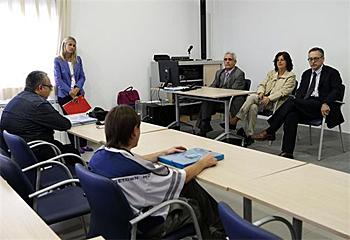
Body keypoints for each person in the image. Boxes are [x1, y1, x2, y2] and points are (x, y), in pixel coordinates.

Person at [89, 105, 225, 239]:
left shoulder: (98, 156)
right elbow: (182, 177)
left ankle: (219, 227)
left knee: (189, 186)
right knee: (194, 205)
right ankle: (218, 231)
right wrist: (202, 163)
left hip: (112, 221)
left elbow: (132, 160)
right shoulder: (141, 172)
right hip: (143, 226)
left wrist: (162, 153)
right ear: (134, 132)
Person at [252, 47, 344, 159]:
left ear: (323, 59)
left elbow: (336, 91)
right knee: (291, 115)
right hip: (306, 105)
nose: (313, 62)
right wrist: (298, 100)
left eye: (316, 58)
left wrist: (325, 103)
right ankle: (287, 152)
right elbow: (300, 92)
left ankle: (270, 131)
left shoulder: (332, 73)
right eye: (310, 59)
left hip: (321, 106)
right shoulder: (306, 74)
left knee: (291, 101)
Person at [0, 70, 80, 162]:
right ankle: (75, 174)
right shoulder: (39, 104)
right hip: (36, 151)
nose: (51, 90)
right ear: (40, 88)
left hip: (19, 153)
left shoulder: (17, 98)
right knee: (73, 153)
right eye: (50, 87)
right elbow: (65, 124)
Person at [230, 51, 296, 146]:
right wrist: (261, 92)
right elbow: (262, 84)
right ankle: (250, 135)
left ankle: (236, 119)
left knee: (252, 97)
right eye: (278, 60)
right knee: (253, 106)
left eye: (282, 60)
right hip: (262, 100)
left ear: (287, 62)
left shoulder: (291, 76)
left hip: (276, 103)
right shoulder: (271, 73)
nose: (279, 62)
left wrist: (269, 98)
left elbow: (284, 91)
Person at [54, 36, 92, 154]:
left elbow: (82, 76)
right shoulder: (58, 60)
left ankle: (83, 144)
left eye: (74, 45)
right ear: (64, 46)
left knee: (83, 119)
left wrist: (77, 88)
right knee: (71, 122)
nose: (72, 47)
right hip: (65, 95)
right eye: (70, 44)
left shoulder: (78, 59)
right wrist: (70, 91)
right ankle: (75, 147)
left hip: (78, 93)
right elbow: (58, 79)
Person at [196, 51, 246, 136]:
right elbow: (213, 86)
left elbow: (233, 91)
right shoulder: (220, 72)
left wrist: (217, 92)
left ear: (235, 62)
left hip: (231, 101)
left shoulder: (239, 74)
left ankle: (204, 126)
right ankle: (204, 125)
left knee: (207, 102)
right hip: (220, 99)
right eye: (225, 59)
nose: (227, 61)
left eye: (230, 59)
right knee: (205, 99)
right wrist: (205, 90)